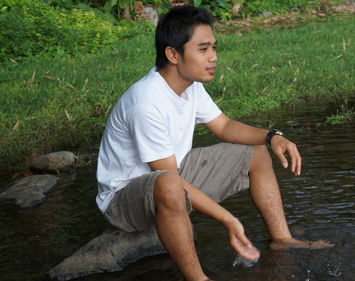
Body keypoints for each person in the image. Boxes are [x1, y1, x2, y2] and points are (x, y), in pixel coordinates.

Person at [96, 5, 332, 281]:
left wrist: (272, 137)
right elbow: (168, 177)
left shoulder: (190, 85)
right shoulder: (146, 101)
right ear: (173, 54)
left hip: (170, 177)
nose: (213, 57)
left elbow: (225, 126)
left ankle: (282, 239)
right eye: (203, 49)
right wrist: (228, 219)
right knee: (170, 183)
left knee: (255, 152)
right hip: (124, 201)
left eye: (213, 48)